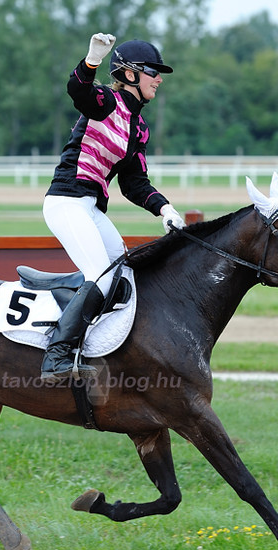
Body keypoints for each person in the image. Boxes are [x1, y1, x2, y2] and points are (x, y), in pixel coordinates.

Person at [41, 32, 185, 380]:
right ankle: (56, 356)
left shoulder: (139, 127)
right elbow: (78, 90)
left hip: (89, 208)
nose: (159, 79)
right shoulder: (105, 101)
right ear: (131, 74)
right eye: (154, 72)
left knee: (124, 278)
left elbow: (134, 183)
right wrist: (92, 60)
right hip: (66, 202)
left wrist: (165, 210)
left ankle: (100, 348)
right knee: (100, 279)